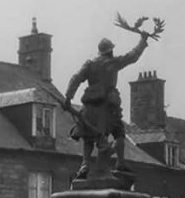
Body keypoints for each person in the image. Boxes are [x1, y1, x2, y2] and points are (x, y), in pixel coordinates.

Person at [64, 30, 153, 179]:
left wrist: (68, 97)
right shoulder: (114, 62)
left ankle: (85, 163)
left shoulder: (90, 64)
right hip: (108, 108)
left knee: (88, 137)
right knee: (119, 132)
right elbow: (133, 56)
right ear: (110, 50)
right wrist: (142, 41)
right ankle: (120, 161)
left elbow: (76, 78)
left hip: (90, 108)